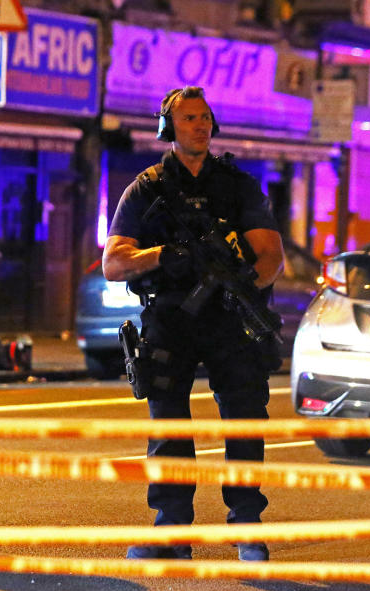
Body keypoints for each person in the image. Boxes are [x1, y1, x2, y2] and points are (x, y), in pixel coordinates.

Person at [102, 87, 284, 561]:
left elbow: (271, 255)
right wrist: (163, 255)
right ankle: (171, 531)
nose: (200, 126)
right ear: (169, 127)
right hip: (171, 316)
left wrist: (246, 290)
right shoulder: (147, 187)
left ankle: (246, 526)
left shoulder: (236, 184)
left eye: (205, 117)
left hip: (229, 318)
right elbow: (114, 263)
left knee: (244, 420)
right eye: (188, 119)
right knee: (168, 426)